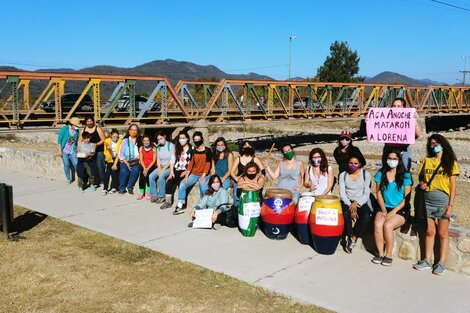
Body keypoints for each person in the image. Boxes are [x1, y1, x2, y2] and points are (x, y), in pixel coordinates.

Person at [413, 134, 459, 275]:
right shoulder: (426, 160)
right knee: (429, 231)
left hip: (442, 202)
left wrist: (450, 206)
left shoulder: (451, 162)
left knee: (442, 233)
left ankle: (441, 263)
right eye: (432, 143)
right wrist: (422, 184)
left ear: (443, 144)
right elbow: (421, 178)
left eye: (436, 143)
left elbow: (453, 186)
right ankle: (427, 260)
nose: (434, 145)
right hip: (427, 201)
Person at [372, 148, 412, 266]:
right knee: (378, 224)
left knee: (388, 225)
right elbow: (378, 193)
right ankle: (380, 253)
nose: (392, 161)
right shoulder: (381, 173)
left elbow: (407, 198)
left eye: (394, 159)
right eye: (389, 158)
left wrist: (393, 211)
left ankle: (388, 254)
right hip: (384, 207)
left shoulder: (405, 175)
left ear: (399, 160)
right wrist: (384, 209)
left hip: (400, 209)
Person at [339, 152, 371, 254]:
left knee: (366, 215)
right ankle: (348, 236)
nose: (353, 165)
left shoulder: (366, 175)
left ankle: (354, 237)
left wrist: (356, 204)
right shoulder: (343, 175)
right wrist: (350, 205)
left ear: (360, 164)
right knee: (346, 214)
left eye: (355, 163)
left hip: (360, 200)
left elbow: (366, 193)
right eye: (350, 163)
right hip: (347, 200)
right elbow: (342, 193)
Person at [173, 131, 212, 215]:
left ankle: (204, 206)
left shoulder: (207, 150)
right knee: (182, 184)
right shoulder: (193, 150)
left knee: (203, 187)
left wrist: (203, 175)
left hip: (205, 174)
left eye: (198, 139)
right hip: (194, 173)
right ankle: (180, 205)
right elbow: (191, 163)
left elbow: (208, 164)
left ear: (202, 139)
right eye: (195, 139)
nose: (197, 141)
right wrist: (187, 175)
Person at [382, 97, 422, 171]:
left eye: (398, 106)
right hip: (388, 150)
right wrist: (370, 122)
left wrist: (414, 121)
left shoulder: (408, 120)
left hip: (404, 150)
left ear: (403, 108)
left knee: (404, 172)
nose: (396, 108)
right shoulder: (385, 119)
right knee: (387, 172)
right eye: (394, 106)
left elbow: (417, 135)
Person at [160, 131, 192, 210]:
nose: (182, 140)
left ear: (187, 138)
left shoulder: (192, 149)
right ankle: (168, 202)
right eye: (180, 138)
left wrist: (186, 171)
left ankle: (181, 203)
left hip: (185, 170)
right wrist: (171, 172)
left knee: (181, 184)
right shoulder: (177, 148)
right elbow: (172, 161)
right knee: (169, 182)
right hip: (176, 169)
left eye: (183, 138)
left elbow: (192, 163)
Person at [230, 140, 264, 207]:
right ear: (242, 148)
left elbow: (263, 170)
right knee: (237, 198)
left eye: (249, 146)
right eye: (245, 146)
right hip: (240, 181)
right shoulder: (238, 159)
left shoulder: (254, 159)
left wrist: (261, 178)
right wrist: (236, 179)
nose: (247, 147)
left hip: (252, 181)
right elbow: (231, 172)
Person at [79, 115, 106, 188]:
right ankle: (90, 182)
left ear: (93, 121)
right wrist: (79, 151)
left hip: (98, 149)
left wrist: (96, 144)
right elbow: (79, 141)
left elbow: (103, 139)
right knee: (88, 167)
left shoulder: (98, 128)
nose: (89, 122)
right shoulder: (83, 130)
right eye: (87, 121)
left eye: (91, 121)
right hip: (87, 151)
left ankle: (102, 181)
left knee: (100, 165)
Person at [149, 131, 175, 203]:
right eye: (158, 139)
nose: (160, 140)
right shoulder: (159, 147)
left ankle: (161, 195)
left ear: (164, 137)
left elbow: (171, 160)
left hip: (170, 167)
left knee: (161, 176)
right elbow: (158, 159)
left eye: (161, 138)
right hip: (161, 166)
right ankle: (154, 194)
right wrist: (159, 169)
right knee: (151, 176)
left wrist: (162, 170)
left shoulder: (171, 145)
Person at [117, 124, 142, 195]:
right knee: (124, 171)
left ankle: (130, 187)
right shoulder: (125, 140)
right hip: (125, 161)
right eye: (131, 129)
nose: (133, 131)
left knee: (135, 170)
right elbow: (121, 153)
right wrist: (126, 163)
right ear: (129, 130)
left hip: (135, 161)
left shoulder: (140, 140)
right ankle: (122, 188)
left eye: (135, 130)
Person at [57, 117, 81, 184]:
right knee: (66, 164)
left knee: (76, 163)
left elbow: (78, 140)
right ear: (72, 124)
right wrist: (60, 150)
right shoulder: (64, 129)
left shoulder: (76, 131)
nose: (77, 127)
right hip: (64, 150)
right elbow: (59, 140)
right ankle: (68, 178)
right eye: (76, 125)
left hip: (72, 149)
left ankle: (79, 177)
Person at [137, 135, 157, 200]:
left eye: (147, 140)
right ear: (142, 142)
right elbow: (141, 159)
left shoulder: (153, 148)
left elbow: (154, 160)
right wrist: (144, 168)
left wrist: (147, 169)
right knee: (141, 177)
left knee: (148, 176)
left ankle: (148, 192)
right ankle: (141, 192)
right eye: (144, 141)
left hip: (151, 165)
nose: (146, 142)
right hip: (144, 165)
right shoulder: (141, 148)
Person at [103, 129, 122, 195]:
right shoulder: (107, 141)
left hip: (116, 159)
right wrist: (109, 149)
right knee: (107, 173)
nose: (115, 138)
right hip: (109, 159)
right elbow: (108, 151)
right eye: (114, 136)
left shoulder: (120, 141)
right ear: (111, 136)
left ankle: (114, 187)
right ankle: (105, 188)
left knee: (114, 173)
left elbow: (118, 153)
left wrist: (115, 164)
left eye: (117, 137)